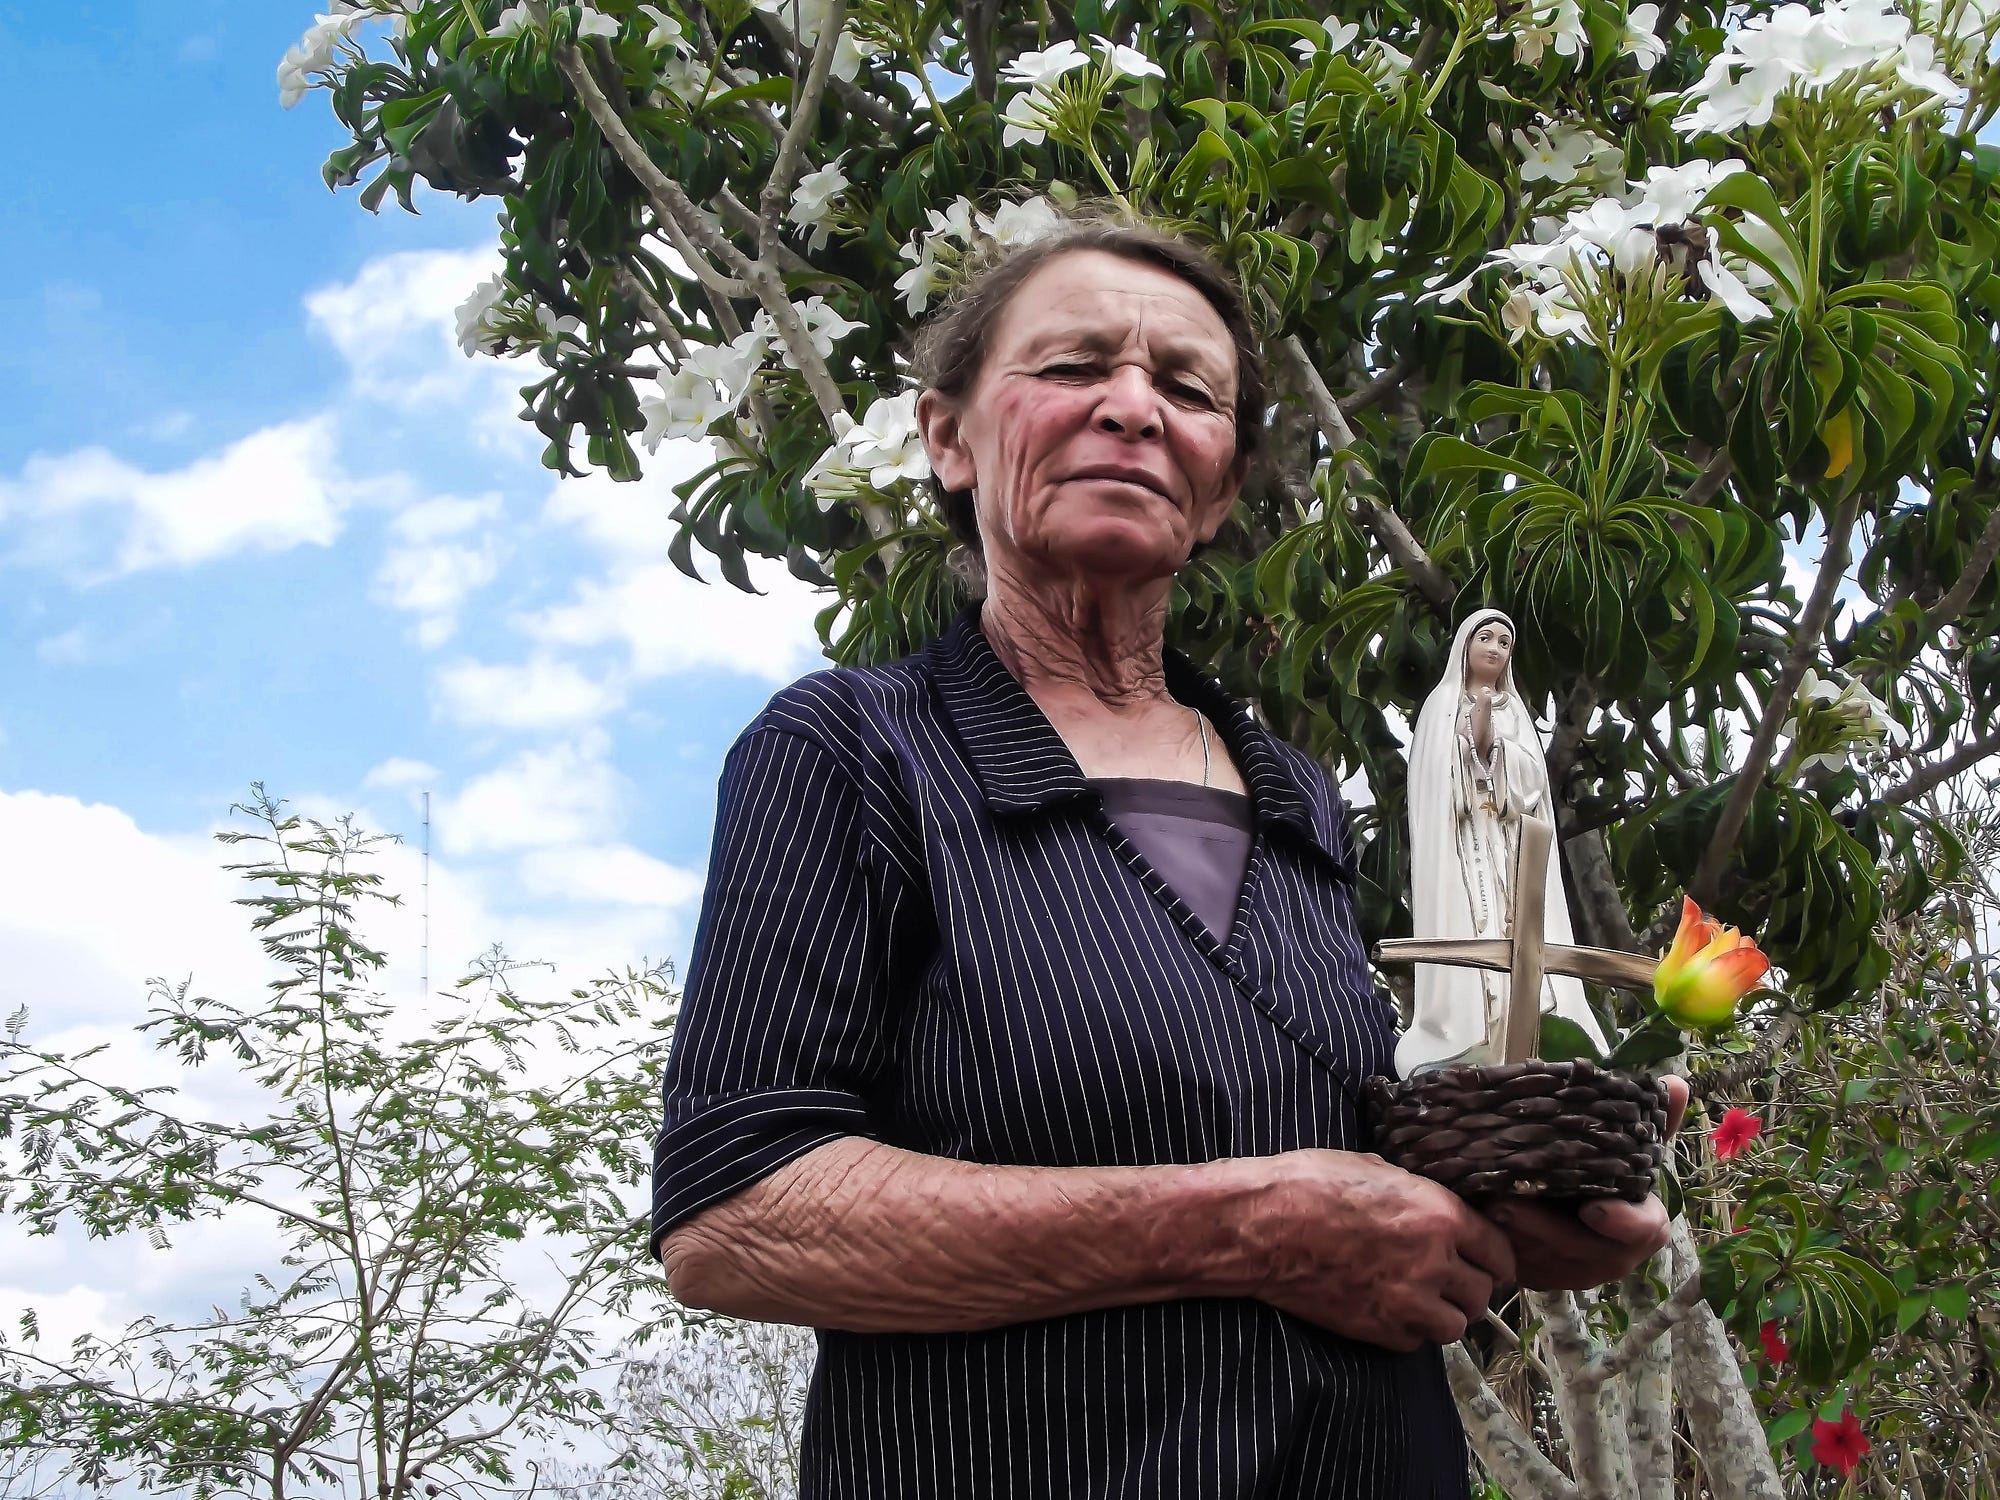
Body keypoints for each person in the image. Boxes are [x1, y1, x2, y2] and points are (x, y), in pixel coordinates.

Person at [649, 214, 1681, 1498]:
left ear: (1219, 488)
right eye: (1072, 366)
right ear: (947, 436)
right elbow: (736, 1218)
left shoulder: (1293, 792)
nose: (1131, 409)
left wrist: (1509, 1194)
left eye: (1187, 390)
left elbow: (1333, 1173)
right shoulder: (858, 749)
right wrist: (1247, 1228)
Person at [1398, 609, 1612, 1076]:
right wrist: (1471, 743)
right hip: (1465, 841)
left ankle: (1533, 1037)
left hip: (1510, 841)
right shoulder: (1440, 707)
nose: (1494, 649)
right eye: (1486, 638)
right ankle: (1473, 1037)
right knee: (1477, 934)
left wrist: (1498, 747)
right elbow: (1435, 781)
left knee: (1522, 931)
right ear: (1466, 645)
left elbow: (1531, 781)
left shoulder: (1514, 710)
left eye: (1504, 643)